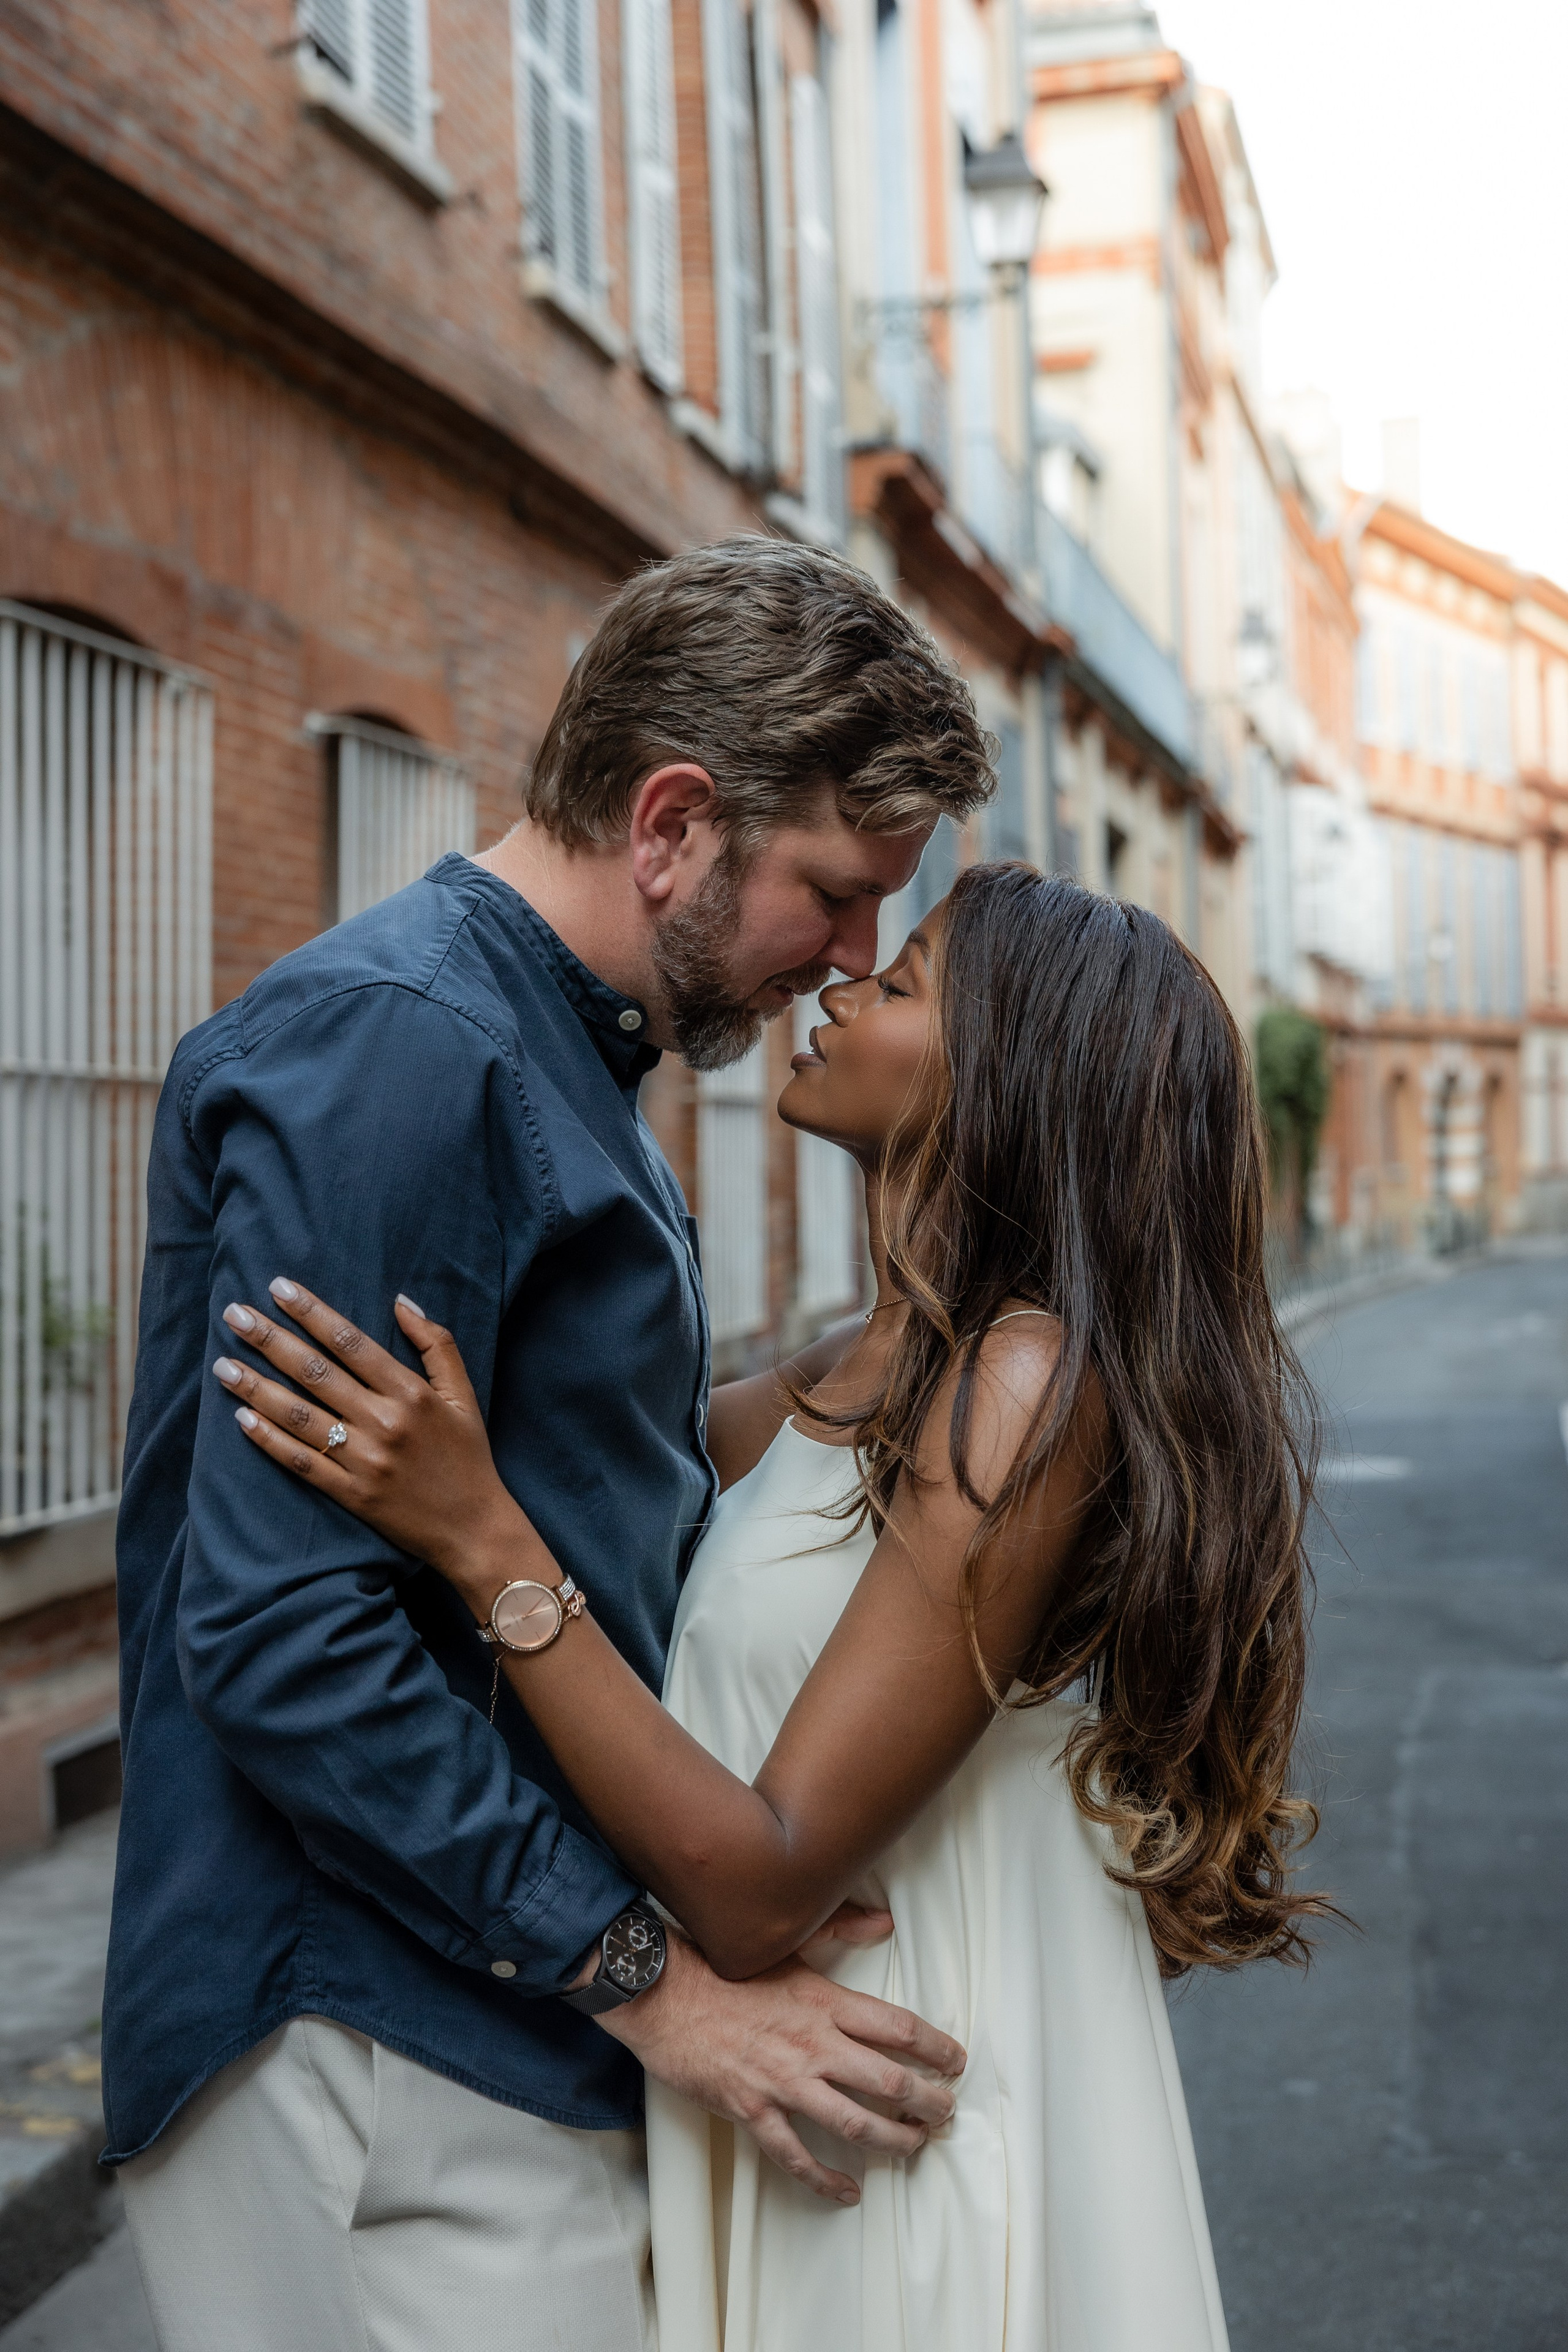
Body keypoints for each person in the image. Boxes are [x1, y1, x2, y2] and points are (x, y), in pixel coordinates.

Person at [216, 859, 1332, 2352]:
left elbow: (761, 1883)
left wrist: (485, 1544)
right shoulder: (801, 1399)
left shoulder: (1020, 1386)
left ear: (1004, 1077)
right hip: (791, 2086)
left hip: (893, 2097)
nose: (837, 983)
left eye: (905, 979)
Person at [104, 536, 996, 2351]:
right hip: (368, 2024)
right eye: (834, 892)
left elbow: (615, 1499)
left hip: (480, 2017)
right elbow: (287, 1637)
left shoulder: (556, 1053)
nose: (852, 955)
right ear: (672, 822)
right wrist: (657, 1985)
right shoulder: (407, 1049)